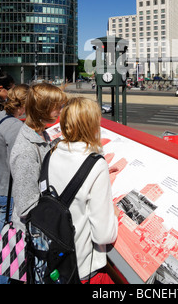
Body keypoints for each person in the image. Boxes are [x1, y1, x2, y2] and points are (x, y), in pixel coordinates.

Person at [48, 97, 118, 284]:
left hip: (53, 258)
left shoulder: (52, 152)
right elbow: (103, 234)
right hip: (82, 267)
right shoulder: (96, 164)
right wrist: (116, 215)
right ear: (92, 125)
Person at [9, 83, 67, 256]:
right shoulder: (26, 150)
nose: (61, 110)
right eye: (57, 107)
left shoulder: (40, 134)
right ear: (43, 109)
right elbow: (26, 207)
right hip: (31, 242)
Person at [0, 84, 29, 284]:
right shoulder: (16, 127)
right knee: (5, 239)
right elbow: (19, 161)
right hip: (7, 189)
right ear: (23, 104)